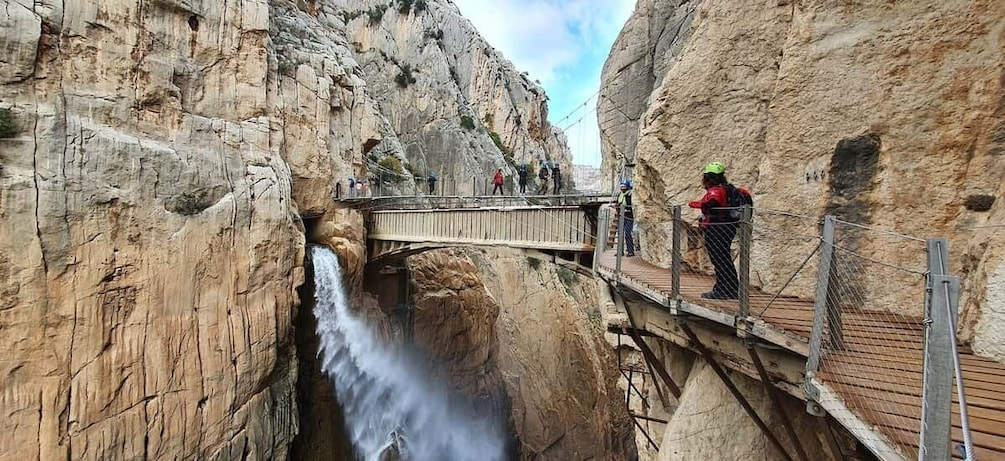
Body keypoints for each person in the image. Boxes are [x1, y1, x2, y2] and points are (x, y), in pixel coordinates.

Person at [688, 161, 738, 300]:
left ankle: (723, 290)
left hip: (716, 228)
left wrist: (695, 204)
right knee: (724, 259)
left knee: (719, 260)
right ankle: (732, 289)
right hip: (726, 227)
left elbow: (713, 203)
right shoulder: (727, 188)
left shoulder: (716, 190)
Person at [613, 180, 635, 256]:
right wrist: (616, 206)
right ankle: (620, 251)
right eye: (621, 186)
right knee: (620, 234)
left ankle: (630, 251)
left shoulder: (630, 194)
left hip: (629, 216)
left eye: (624, 186)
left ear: (627, 187)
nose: (622, 188)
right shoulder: (620, 194)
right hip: (621, 215)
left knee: (628, 233)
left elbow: (630, 205)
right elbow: (618, 202)